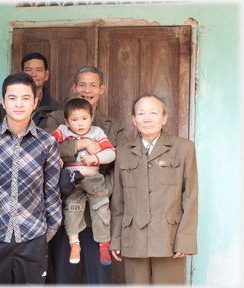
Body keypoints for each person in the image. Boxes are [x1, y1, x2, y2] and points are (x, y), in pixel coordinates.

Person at [0, 72, 62, 284]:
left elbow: (52, 190)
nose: (19, 104)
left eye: (26, 98)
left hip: (34, 235)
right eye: (12, 98)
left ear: (35, 102)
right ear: (3, 102)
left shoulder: (47, 143)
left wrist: (49, 229)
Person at [45, 65, 125, 284]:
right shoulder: (56, 118)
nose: (87, 90)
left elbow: (118, 163)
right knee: (63, 277)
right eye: (82, 84)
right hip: (64, 206)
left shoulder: (112, 125)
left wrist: (101, 189)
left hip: (98, 209)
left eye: (93, 85)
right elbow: (46, 150)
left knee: (99, 278)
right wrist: (83, 143)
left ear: (102, 89)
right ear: (74, 87)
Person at [110, 94, 198, 284]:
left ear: (164, 118)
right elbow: (118, 201)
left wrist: (185, 240)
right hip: (133, 236)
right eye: (141, 113)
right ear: (134, 119)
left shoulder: (184, 148)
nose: (147, 118)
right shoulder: (123, 151)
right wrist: (116, 239)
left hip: (170, 239)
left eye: (153, 113)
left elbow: (190, 198)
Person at [51, 98, 116, 265]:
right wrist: (57, 155)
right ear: (66, 121)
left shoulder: (97, 132)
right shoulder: (63, 130)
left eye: (84, 119)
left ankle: (103, 245)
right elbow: (48, 143)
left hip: (93, 178)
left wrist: (95, 158)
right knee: (72, 210)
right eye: (74, 119)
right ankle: (75, 245)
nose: (80, 124)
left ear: (91, 118)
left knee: (101, 208)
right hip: (73, 180)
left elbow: (111, 153)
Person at [0, 52, 63, 129]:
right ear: (22, 73)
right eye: (28, 70)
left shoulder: (58, 109)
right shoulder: (6, 107)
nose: (33, 74)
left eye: (39, 70)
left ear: (46, 75)